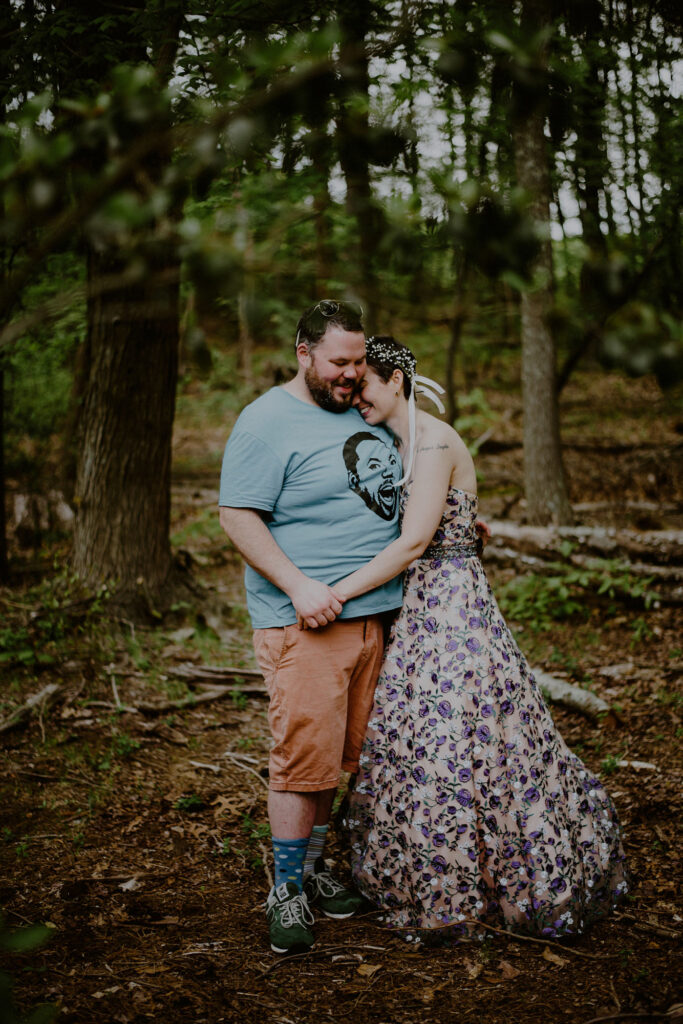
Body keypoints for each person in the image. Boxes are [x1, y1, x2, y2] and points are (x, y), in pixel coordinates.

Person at [331, 335, 628, 944]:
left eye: (363, 385)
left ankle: (483, 879)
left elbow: (414, 542)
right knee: (417, 731)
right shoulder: (397, 442)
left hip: (452, 605)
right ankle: (430, 868)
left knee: (464, 729)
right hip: (416, 604)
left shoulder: (435, 439)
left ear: (393, 381)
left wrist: (336, 591)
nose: (354, 396)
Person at [218, 303, 404, 954]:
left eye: (359, 361)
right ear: (303, 354)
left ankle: (318, 872)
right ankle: (287, 888)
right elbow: (238, 515)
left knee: (339, 760)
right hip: (306, 624)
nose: (352, 373)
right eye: (339, 362)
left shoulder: (360, 409)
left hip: (373, 616)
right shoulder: (266, 421)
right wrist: (298, 585)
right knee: (302, 762)